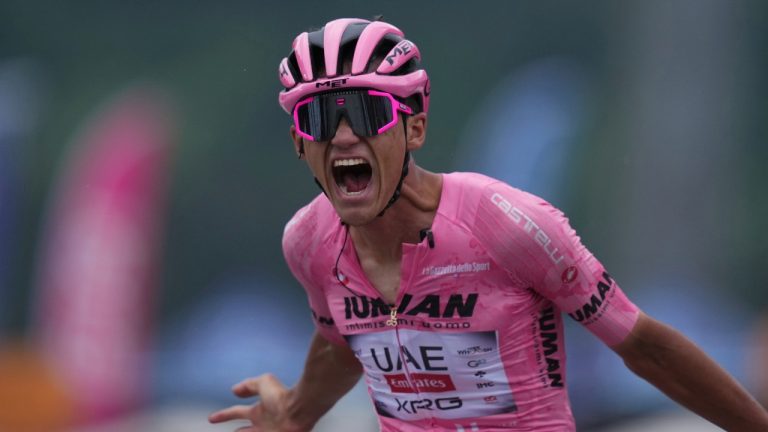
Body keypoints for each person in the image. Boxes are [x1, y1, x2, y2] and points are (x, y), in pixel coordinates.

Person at [209, 17, 768, 431]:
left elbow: (643, 347)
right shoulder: (307, 242)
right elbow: (342, 342)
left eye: (368, 112)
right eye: (321, 118)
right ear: (298, 144)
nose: (345, 135)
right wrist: (296, 413)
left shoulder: (506, 223)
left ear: (416, 128)